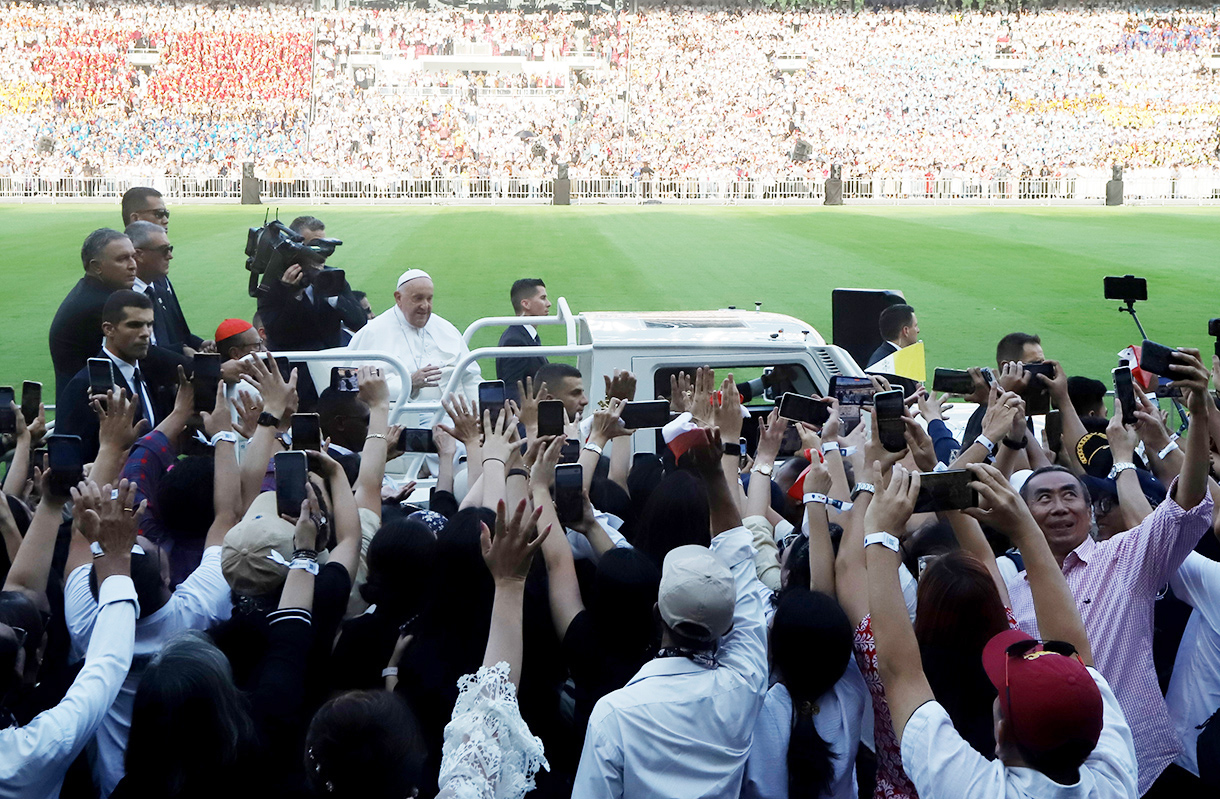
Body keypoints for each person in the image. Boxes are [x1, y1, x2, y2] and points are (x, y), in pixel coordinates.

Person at [1006, 348, 1213, 795]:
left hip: (1137, 767)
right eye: (1043, 498)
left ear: (1091, 511)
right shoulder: (1012, 589)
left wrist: (1197, 415)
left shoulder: (1126, 558)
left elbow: (1186, 506)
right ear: (1022, 515)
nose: (1060, 506)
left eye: (1070, 495)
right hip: (1045, 775)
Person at [865, 462, 1138, 799]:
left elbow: (900, 673)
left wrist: (878, 530)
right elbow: (1071, 647)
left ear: (1002, 732)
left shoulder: (978, 790)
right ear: (1100, 728)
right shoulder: (1114, 781)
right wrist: (1024, 530)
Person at [573, 428, 768, 798]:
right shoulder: (744, 684)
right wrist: (714, 475)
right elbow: (740, 558)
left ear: (656, 611)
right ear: (728, 625)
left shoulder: (615, 714)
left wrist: (711, 473)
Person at [0, 480, 140, 799]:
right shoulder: (35, 751)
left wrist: (50, 504)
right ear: (20, 670)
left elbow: (21, 592)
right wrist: (116, 559)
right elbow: (106, 663)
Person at [56, 291, 185, 462]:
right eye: (135, 325)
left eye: (149, 324)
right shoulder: (84, 385)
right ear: (109, 329)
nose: (146, 333)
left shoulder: (147, 372)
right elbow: (67, 459)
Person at [347, 269, 482, 412]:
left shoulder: (445, 328)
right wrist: (409, 383)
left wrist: (482, 413)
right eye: (418, 298)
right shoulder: (373, 332)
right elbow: (358, 385)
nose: (425, 306)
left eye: (429, 298)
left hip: (456, 413)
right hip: (402, 416)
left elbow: (471, 378)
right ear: (398, 298)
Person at [49, 229, 138, 407]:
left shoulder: (92, 293)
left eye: (133, 256)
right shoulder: (101, 305)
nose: (133, 265)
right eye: (122, 259)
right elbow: (145, 353)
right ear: (96, 267)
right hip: (89, 414)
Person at [256, 240, 366, 351]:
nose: (321, 251)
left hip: (332, 359)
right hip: (296, 363)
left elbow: (359, 322)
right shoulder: (271, 286)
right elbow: (278, 336)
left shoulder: (332, 277)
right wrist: (293, 293)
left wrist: (331, 295)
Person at [125, 221, 210, 357]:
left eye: (170, 249)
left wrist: (199, 344)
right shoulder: (122, 298)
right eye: (164, 250)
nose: (170, 256)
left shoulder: (159, 289)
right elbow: (140, 354)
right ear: (139, 255)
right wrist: (182, 352)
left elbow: (178, 334)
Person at [497, 278, 551, 400]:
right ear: (525, 304)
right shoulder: (515, 341)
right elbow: (511, 391)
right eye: (543, 298)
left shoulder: (527, 335)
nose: (548, 303)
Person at [867, 303, 919, 368]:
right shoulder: (886, 364)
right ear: (906, 331)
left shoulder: (885, 355)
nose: (918, 330)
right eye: (915, 326)